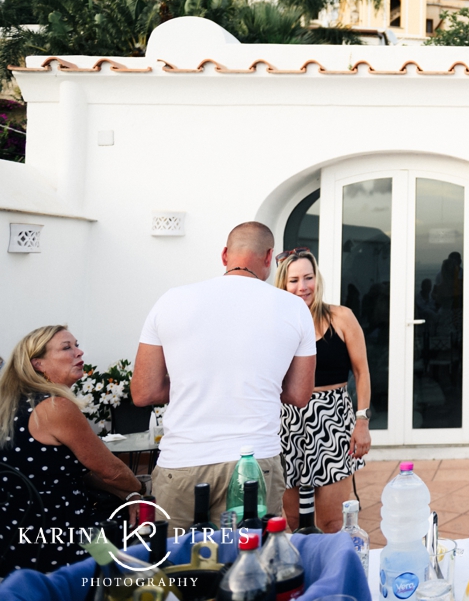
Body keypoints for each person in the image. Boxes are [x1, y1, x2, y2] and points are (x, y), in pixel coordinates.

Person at [131, 221, 316, 533]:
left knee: (177, 573)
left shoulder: (171, 300)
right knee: (253, 572)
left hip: (183, 461)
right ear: (269, 257)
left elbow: (143, 392)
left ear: (224, 255)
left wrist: (201, 385)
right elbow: (299, 395)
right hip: (254, 464)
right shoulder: (294, 308)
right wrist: (253, 385)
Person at [0, 326, 142, 577]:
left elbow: (64, 470)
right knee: (136, 571)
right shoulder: (54, 406)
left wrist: (128, 493)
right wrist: (138, 491)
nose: (79, 352)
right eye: (67, 348)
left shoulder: (10, 405)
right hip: (67, 537)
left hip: (14, 535)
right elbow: (112, 471)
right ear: (38, 364)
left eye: (76, 345)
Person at [274, 247, 371, 532]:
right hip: (286, 423)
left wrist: (362, 421)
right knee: (291, 522)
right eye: (293, 280)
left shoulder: (341, 318)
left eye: (308, 277)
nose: (302, 287)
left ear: (318, 278)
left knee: (331, 521)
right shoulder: (275, 324)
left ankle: (332, 575)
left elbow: (362, 371)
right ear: (282, 284)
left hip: (332, 423)